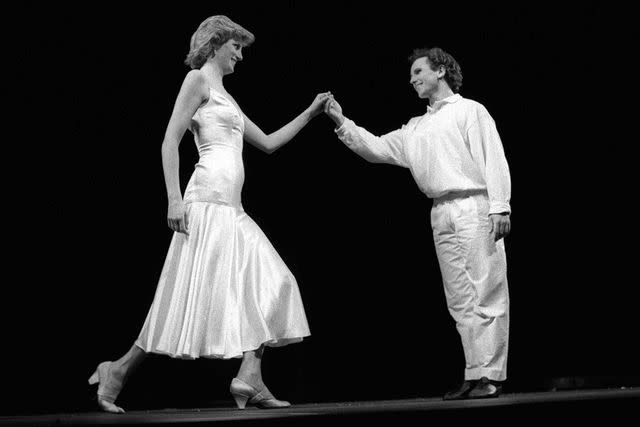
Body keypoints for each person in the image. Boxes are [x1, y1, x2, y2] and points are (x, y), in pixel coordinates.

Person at [88, 15, 331, 413]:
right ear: (215, 43)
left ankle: (250, 374)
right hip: (204, 202)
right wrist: (173, 199)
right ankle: (117, 371)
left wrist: (310, 112)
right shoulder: (197, 80)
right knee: (181, 296)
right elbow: (169, 140)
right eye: (235, 46)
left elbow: (268, 143)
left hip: (231, 208)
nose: (240, 55)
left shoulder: (226, 96)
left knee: (272, 282)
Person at [324, 47, 511, 400]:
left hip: (475, 204)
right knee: (459, 298)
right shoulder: (417, 127)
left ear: (440, 70)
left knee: (486, 289)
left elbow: (493, 157)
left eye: (418, 71)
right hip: (440, 210)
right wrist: (341, 120)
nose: (412, 80)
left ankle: (491, 375)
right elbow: (377, 148)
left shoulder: (470, 110)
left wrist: (500, 207)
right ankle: (475, 371)